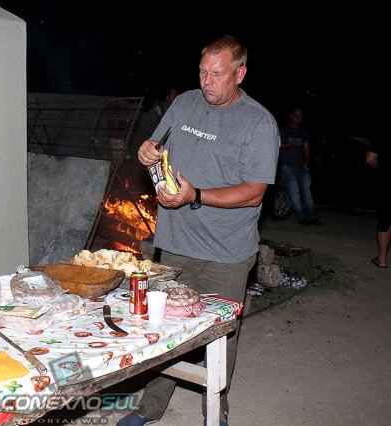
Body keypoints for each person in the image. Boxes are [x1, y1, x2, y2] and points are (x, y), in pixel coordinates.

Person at [117, 35, 280, 426]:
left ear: (240, 74)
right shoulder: (185, 103)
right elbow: (155, 147)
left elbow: (254, 193)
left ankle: (216, 407)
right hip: (175, 243)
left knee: (219, 334)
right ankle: (150, 407)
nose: (207, 81)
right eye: (203, 72)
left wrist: (196, 195)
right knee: (163, 328)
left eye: (217, 74)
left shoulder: (258, 122)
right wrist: (146, 151)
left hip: (226, 251)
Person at [278, 107, 322, 225]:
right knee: (294, 193)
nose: (298, 118)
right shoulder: (283, 130)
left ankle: (312, 216)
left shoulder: (303, 132)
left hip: (301, 167)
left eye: (300, 116)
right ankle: (302, 217)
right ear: (291, 116)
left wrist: (306, 163)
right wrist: (292, 144)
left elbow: (306, 148)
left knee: (307, 192)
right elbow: (277, 146)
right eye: (296, 115)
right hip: (287, 167)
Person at [366, 137, 391, 268]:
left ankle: (382, 260)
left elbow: (370, 159)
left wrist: (381, 169)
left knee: (385, 219)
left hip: (387, 182)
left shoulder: (382, 135)